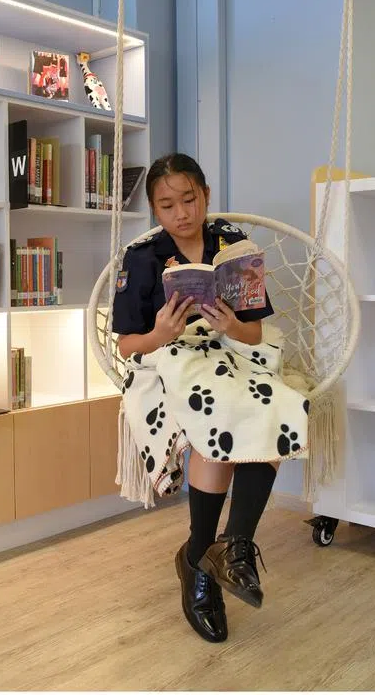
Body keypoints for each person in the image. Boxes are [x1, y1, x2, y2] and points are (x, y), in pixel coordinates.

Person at [112, 153, 278, 644]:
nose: (181, 212)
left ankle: (226, 550)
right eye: (166, 205)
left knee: (276, 404)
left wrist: (232, 326)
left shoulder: (232, 245)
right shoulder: (142, 258)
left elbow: (254, 335)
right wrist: (160, 332)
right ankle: (202, 558)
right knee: (215, 416)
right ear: (154, 211)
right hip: (171, 361)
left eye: (189, 199)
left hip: (229, 354)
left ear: (205, 194)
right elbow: (126, 346)